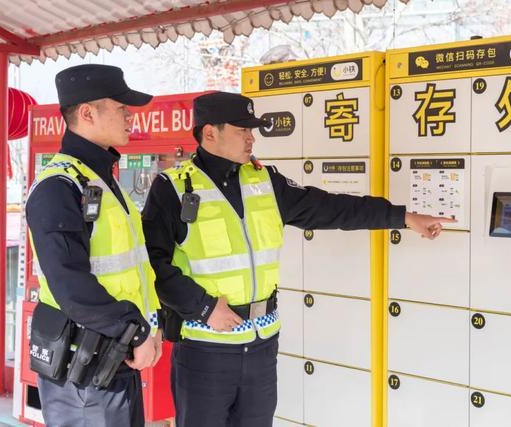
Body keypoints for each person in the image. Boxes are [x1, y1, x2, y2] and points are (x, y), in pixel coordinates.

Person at [141, 91, 454, 427]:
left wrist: (403, 217)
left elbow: (329, 208)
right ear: (210, 133)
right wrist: (204, 307)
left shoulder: (264, 180)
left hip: (261, 345)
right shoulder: (172, 188)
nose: (251, 138)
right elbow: (152, 264)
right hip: (206, 349)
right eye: (242, 130)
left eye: (253, 130)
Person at [26, 64, 162, 427]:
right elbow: (70, 285)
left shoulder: (101, 179)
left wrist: (148, 326)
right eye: (121, 107)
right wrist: (136, 330)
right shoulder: (58, 186)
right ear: (87, 113)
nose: (130, 115)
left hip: (113, 359)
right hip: (83, 375)